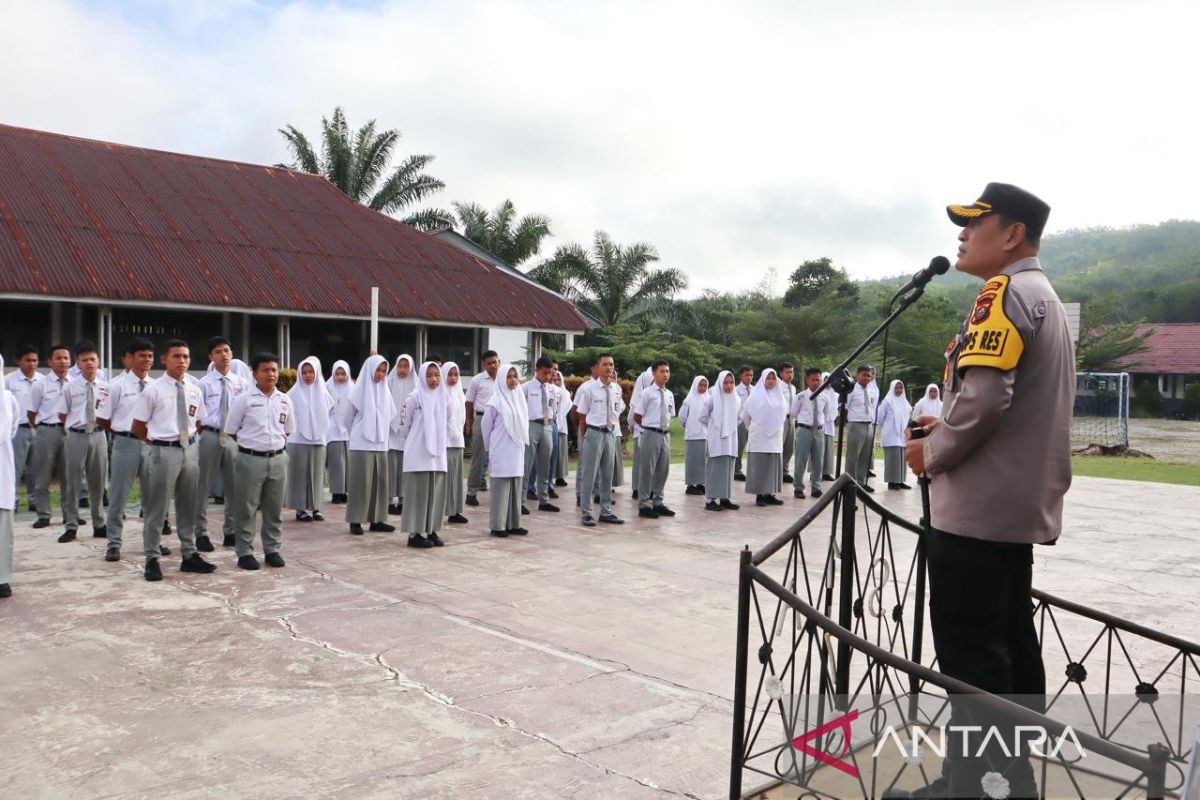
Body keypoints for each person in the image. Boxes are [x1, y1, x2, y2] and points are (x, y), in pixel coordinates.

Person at [895, 183, 1071, 800]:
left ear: (1013, 234)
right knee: (1009, 653)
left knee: (973, 664)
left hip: (974, 511)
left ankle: (972, 788)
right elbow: (999, 404)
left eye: (976, 224)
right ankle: (1006, 781)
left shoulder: (1003, 293)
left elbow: (987, 399)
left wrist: (930, 452)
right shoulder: (1042, 295)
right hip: (1010, 507)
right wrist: (945, 425)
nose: (963, 235)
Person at [132, 339, 216, 582]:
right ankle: (151, 558)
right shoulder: (153, 390)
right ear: (164, 360)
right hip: (163, 451)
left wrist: (187, 442)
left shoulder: (194, 389)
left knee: (188, 504)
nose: (182, 361)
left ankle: (189, 555)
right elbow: (138, 426)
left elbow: (198, 422)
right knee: (157, 507)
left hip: (189, 450)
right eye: (176, 356)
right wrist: (157, 444)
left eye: (186, 357)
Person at [224, 353, 295, 569]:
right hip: (250, 460)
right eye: (265, 370)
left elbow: (288, 430)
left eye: (274, 370)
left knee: (274, 509)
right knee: (246, 507)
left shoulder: (284, 399)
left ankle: (272, 549)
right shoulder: (244, 400)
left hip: (278, 459)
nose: (271, 374)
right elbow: (232, 430)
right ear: (254, 374)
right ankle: (244, 551)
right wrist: (252, 446)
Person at [97, 338, 160, 562]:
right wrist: (122, 433)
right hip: (125, 443)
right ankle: (114, 543)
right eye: (142, 356)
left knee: (153, 497)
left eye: (150, 356)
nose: (147, 360)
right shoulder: (115, 386)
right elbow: (103, 419)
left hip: (151, 445)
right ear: (130, 358)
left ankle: (153, 542)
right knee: (119, 496)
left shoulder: (156, 386)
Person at [55, 340, 110, 543]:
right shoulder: (70, 387)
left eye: (92, 359)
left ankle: (99, 523)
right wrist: (75, 427)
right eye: (84, 360)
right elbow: (62, 414)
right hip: (76, 435)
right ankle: (71, 525)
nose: (89, 363)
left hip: (98, 435)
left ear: (98, 361)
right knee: (73, 482)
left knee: (98, 482)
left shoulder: (105, 387)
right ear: (77, 363)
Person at [196, 337, 246, 550]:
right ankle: (200, 533)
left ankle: (231, 531)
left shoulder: (240, 383)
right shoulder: (204, 384)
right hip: (210, 434)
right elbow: (197, 415)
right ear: (211, 357)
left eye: (227, 350)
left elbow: (245, 411)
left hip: (233, 437)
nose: (224, 355)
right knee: (203, 486)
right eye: (218, 352)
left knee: (234, 486)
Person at [344, 355, 395, 535]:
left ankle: (377, 519)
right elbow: (347, 418)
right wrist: (359, 435)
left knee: (379, 484)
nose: (380, 374)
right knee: (360, 484)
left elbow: (391, 415)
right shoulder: (357, 392)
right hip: (361, 443)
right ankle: (355, 520)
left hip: (381, 443)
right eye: (377, 370)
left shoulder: (385, 391)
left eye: (383, 371)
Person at [573, 353, 625, 527]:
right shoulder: (589, 389)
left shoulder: (616, 389)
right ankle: (586, 513)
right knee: (589, 474)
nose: (609, 368)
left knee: (607, 474)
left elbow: (617, 410)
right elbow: (582, 416)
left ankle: (605, 511)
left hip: (609, 432)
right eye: (605, 364)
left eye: (611, 364)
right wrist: (584, 438)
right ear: (598, 366)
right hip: (594, 433)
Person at [401, 361, 449, 549]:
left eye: (436, 375)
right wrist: (416, 440)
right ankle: (414, 534)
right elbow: (404, 425)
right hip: (418, 454)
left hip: (437, 454)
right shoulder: (414, 397)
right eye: (429, 375)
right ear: (422, 376)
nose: (434, 379)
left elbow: (449, 419)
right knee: (418, 494)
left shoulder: (444, 397)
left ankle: (432, 529)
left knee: (434, 494)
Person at [482, 364, 529, 537]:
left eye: (515, 376)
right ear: (502, 378)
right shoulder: (494, 401)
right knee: (501, 488)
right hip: (501, 449)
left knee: (515, 486)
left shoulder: (519, 398)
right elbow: (486, 427)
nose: (512, 380)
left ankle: (514, 523)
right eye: (509, 377)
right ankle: (498, 525)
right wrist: (491, 448)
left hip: (516, 448)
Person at [28, 344, 72, 529]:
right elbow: (31, 413)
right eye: (58, 358)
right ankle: (43, 515)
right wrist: (43, 428)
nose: (63, 361)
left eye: (66, 358)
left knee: (69, 476)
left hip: (70, 433)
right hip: (47, 430)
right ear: (50, 361)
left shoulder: (76, 382)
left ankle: (70, 515)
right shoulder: (40, 384)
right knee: (43, 475)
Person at [286, 356, 333, 522]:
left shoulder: (323, 393)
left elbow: (329, 413)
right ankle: (300, 509)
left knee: (317, 474)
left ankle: (316, 507)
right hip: (298, 440)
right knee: (300, 475)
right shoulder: (292, 394)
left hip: (319, 440)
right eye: (304, 372)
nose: (307, 375)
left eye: (311, 371)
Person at [631, 359, 675, 519]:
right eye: (662, 371)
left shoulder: (669, 394)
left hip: (665, 434)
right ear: (654, 373)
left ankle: (658, 502)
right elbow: (637, 416)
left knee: (663, 469)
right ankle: (643, 504)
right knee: (647, 470)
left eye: (667, 371)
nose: (665, 374)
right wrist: (648, 428)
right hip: (650, 433)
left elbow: (671, 415)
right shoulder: (647, 394)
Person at [741, 368, 786, 506]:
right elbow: (745, 416)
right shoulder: (755, 397)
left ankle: (770, 494)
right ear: (763, 379)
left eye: (773, 378)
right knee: (759, 466)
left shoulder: (780, 396)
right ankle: (760, 495)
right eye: (768, 378)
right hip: (759, 437)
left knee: (772, 465)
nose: (771, 381)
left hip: (775, 438)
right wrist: (755, 428)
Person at [699, 370, 740, 512]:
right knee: (714, 470)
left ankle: (724, 498)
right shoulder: (712, 398)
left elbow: (739, 418)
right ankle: (710, 500)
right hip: (716, 440)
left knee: (727, 470)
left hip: (730, 440)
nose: (729, 386)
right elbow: (702, 417)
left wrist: (729, 427)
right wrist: (714, 428)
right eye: (725, 382)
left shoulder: (736, 399)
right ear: (720, 383)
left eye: (731, 382)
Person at [522, 356, 559, 512]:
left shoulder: (552, 389)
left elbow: (554, 408)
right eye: (545, 373)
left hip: (547, 426)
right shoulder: (526, 388)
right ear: (536, 370)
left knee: (545, 465)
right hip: (532, 425)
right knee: (527, 465)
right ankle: (520, 500)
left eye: (550, 373)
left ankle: (544, 499)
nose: (548, 376)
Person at [5, 345, 40, 509]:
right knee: (15, 467)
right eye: (28, 360)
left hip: (39, 429)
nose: (32, 364)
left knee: (36, 468)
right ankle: (13, 500)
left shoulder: (42, 380)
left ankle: (34, 501)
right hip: (18, 429)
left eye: (34, 360)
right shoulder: (8, 381)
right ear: (18, 361)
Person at [464, 350, 499, 506]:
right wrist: (469, 422)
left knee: (499, 458)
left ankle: (499, 492)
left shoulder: (504, 379)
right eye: (489, 363)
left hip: (499, 420)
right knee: (478, 457)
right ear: (484, 365)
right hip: (482, 417)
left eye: (495, 362)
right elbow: (469, 402)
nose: (492, 365)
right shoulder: (477, 380)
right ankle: (471, 492)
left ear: (499, 361)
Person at [0, 355, 21, 598]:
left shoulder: (8, 400)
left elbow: (10, 430)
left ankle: (2, 578)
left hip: (1, 470)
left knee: (3, 526)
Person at [386, 354, 416, 515]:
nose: (402, 370)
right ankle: (390, 500)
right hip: (391, 433)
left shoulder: (416, 386)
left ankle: (404, 500)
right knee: (391, 467)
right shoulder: (389, 382)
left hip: (409, 434)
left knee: (406, 467)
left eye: (406, 366)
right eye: (400, 366)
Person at [791, 367, 828, 499]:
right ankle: (798, 487)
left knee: (818, 460)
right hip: (804, 430)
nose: (816, 382)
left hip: (818, 431)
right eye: (813, 380)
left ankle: (816, 487)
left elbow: (826, 414)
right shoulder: (801, 397)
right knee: (801, 460)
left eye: (818, 380)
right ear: (807, 381)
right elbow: (794, 413)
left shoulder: (824, 397)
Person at [442, 361, 469, 525]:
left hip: (457, 440)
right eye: (449, 374)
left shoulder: (459, 393)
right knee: (444, 478)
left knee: (457, 478)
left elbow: (462, 417)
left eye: (455, 375)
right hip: (443, 442)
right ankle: (442, 508)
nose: (452, 378)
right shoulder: (440, 393)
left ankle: (455, 511)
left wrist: (458, 433)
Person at [325, 359, 354, 504]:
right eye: (338, 373)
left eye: (343, 374)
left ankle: (345, 492)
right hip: (332, 429)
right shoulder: (327, 387)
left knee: (348, 463)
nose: (341, 377)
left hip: (349, 430)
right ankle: (336, 492)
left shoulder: (353, 388)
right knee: (336, 462)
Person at [843, 365, 876, 491]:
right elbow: (845, 408)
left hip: (868, 425)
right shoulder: (851, 390)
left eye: (869, 375)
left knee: (865, 456)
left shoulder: (870, 390)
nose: (867, 378)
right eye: (864, 375)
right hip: (856, 425)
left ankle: (861, 483)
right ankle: (849, 482)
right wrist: (849, 423)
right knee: (853, 455)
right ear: (857, 375)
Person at [876, 379, 912, 490]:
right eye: (896, 388)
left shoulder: (905, 402)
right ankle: (892, 482)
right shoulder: (887, 401)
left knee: (901, 459)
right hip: (890, 435)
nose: (899, 390)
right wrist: (887, 427)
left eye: (901, 388)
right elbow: (880, 417)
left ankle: (900, 480)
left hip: (902, 435)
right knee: (893, 459)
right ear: (892, 388)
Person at [678, 375, 709, 495]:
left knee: (702, 461)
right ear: (695, 385)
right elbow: (682, 417)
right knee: (692, 461)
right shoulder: (689, 399)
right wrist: (688, 426)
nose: (703, 387)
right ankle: (691, 485)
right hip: (693, 435)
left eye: (705, 385)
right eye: (700, 385)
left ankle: (701, 483)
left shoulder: (708, 398)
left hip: (705, 435)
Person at [628, 366, 653, 499]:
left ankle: (644, 489)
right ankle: (639, 488)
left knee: (648, 462)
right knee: (641, 462)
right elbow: (633, 414)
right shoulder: (642, 395)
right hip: (642, 432)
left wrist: (631, 426)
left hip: (651, 434)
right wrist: (633, 426)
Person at [777, 363, 797, 485]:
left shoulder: (793, 388)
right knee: (780, 445)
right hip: (781, 419)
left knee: (789, 447)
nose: (790, 375)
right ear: (781, 374)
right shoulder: (778, 387)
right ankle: (777, 471)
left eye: (792, 372)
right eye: (787, 372)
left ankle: (785, 471)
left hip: (792, 419)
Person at [551, 369, 570, 488]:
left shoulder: (565, 393)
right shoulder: (550, 391)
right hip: (551, 426)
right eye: (555, 379)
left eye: (559, 379)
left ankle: (560, 476)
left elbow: (564, 410)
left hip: (561, 426)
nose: (557, 381)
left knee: (561, 453)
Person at [733, 366, 753, 480]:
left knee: (753, 447)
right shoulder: (736, 390)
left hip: (753, 422)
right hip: (740, 422)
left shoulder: (755, 390)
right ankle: (737, 470)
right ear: (741, 376)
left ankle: (752, 470)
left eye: (751, 375)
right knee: (739, 446)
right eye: (747, 375)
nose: (749, 377)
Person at [820, 371, 837, 482]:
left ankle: (826, 472)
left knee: (828, 450)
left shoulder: (835, 394)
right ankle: (816, 472)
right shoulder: (819, 392)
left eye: (830, 380)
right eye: (826, 379)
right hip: (820, 424)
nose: (828, 382)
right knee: (819, 450)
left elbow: (835, 409)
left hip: (830, 425)